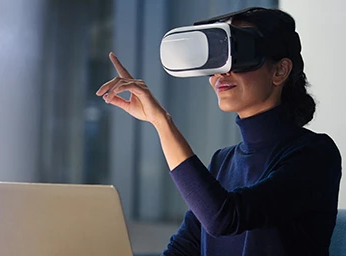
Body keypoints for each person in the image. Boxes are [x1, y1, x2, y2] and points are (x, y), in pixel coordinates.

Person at [96, 7, 342, 256]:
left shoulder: (315, 155)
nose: (221, 73)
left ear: (279, 71)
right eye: (218, 57)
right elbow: (183, 250)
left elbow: (224, 219)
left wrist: (161, 121)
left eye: (240, 53)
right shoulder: (223, 161)